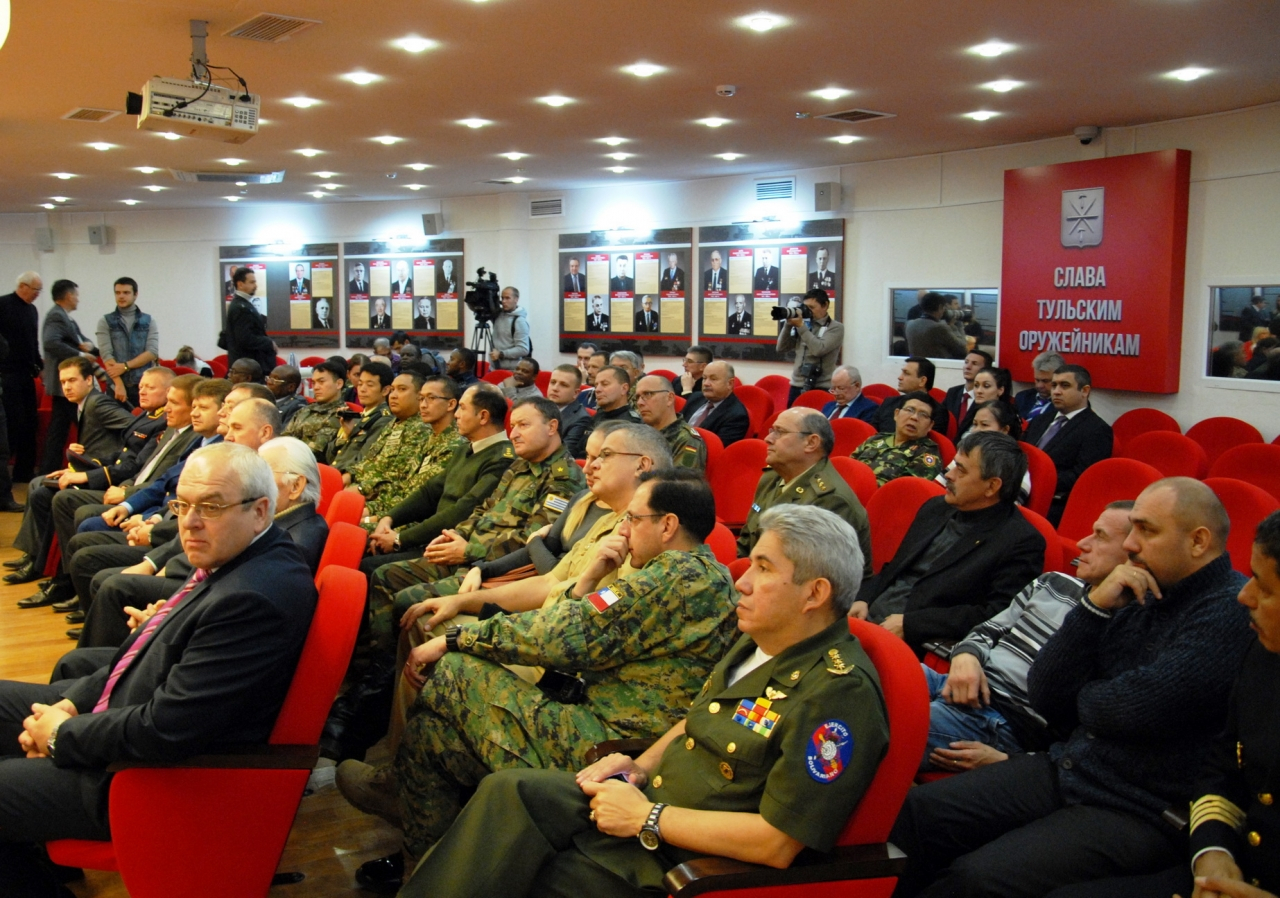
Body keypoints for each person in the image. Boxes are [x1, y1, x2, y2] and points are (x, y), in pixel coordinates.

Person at [394, 504, 888, 898]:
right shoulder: (761, 640)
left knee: (529, 871)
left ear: (814, 593)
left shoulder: (838, 693)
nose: (742, 580)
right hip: (646, 797)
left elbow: (778, 843)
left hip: (676, 855)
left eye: (763, 568)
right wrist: (638, 764)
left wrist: (647, 818)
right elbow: (695, 719)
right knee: (511, 791)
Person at [344, 469, 739, 890]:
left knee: (458, 671)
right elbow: (578, 617)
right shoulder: (678, 574)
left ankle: (395, 789)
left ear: (668, 525)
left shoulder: (678, 577)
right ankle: (426, 870)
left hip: (613, 746)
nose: (623, 529)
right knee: (432, 736)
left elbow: (565, 634)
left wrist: (457, 639)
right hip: (591, 717)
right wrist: (590, 577)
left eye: (633, 519)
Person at [891, 477, 1255, 898]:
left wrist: (1088, 697)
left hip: (1136, 806)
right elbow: (1046, 692)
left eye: (1147, 530)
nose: (1131, 544)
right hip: (1069, 768)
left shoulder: (1228, 610)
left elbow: (1132, 709)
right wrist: (1093, 607)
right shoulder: (1137, 590)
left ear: (1198, 541)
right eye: (1132, 528)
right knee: (916, 814)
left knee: (978, 878)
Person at [0, 442, 316, 898]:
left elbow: (167, 727)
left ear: (261, 510)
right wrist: (69, 704)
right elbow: (140, 651)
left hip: (149, 778)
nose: (189, 522)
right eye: (182, 505)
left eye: (211, 506)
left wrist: (60, 736)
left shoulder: (253, 596)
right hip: (126, 724)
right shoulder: (238, 555)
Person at [920, 501, 1133, 774]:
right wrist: (966, 656)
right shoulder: (1052, 582)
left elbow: (1085, 727)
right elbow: (987, 630)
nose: (1083, 543)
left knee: (880, 717)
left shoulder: (1125, 628)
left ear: (1132, 553)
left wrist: (1017, 761)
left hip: (999, 723)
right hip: (957, 683)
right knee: (870, 670)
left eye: (1100, 537)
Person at [853, 431, 1044, 654]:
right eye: (953, 465)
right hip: (867, 616)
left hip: (916, 642)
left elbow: (995, 614)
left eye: (960, 470)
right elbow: (895, 568)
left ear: (992, 486)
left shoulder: (1020, 542)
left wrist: (913, 625)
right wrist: (864, 598)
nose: (949, 475)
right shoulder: (935, 508)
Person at [8, 367, 173, 587]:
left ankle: (63, 578)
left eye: (149, 387)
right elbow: (122, 454)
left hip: (123, 484)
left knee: (55, 496)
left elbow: (136, 466)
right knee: (42, 488)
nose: (141, 391)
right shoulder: (146, 413)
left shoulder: (159, 421)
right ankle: (40, 561)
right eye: (141, 386)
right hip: (118, 476)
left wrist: (89, 475)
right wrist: (83, 464)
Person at [738, 407, 870, 561]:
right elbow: (746, 542)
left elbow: (811, 570)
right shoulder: (772, 477)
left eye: (780, 432)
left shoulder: (831, 500)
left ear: (811, 443)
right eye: (772, 431)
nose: (768, 438)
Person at [345, 372, 449, 518]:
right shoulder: (393, 423)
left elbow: (398, 481)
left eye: (402, 389)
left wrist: (367, 500)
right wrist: (348, 476)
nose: (393, 395)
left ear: (418, 396)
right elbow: (369, 462)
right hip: (371, 496)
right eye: (392, 390)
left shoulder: (422, 430)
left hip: (383, 503)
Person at [1022, 363, 1114, 526]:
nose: (1056, 391)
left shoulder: (1097, 430)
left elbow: (1081, 477)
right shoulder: (1040, 420)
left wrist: (1034, 479)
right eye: (1054, 385)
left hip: (1055, 502)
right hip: (1019, 492)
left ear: (1084, 391)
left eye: (1064, 386)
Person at [39, 279, 103, 473]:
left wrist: (91, 349)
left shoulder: (65, 317)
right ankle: (90, 466)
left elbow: (80, 341)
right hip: (66, 383)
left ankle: (48, 470)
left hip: (64, 385)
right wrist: (81, 355)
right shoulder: (56, 316)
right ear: (68, 295)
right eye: (76, 295)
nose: (78, 299)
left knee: (59, 431)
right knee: (85, 427)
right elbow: (51, 343)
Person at [0, 272, 42, 489]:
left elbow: (33, 342)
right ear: (23, 286)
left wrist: (39, 366)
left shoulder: (32, 310)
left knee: (29, 423)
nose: (37, 294)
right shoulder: (3, 305)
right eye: (36, 290)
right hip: (7, 375)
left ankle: (23, 472)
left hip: (26, 375)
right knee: (13, 423)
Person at [853, 391, 945, 486]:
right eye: (910, 410)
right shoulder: (875, 439)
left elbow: (902, 490)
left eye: (923, 415)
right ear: (896, 414)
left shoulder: (926, 454)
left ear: (930, 425)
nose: (914, 417)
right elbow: (849, 468)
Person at [777, 288, 844, 406]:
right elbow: (781, 347)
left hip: (821, 386)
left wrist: (801, 327)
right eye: (805, 307)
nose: (808, 311)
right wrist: (788, 325)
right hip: (797, 385)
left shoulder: (835, 327)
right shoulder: (803, 324)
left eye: (812, 307)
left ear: (825, 305)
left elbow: (818, 349)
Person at [333, 361, 394, 474]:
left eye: (370, 385)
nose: (362, 389)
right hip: (335, 472)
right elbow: (329, 455)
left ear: (385, 390)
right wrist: (346, 435)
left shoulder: (384, 420)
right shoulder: (360, 417)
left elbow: (363, 461)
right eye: (360, 384)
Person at [284, 359, 348, 463]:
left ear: (339, 384)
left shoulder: (340, 415)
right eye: (313, 383)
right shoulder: (305, 409)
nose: (316, 387)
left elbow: (316, 451)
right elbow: (284, 437)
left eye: (321, 382)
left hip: (308, 464)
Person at [634, 374, 705, 470]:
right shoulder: (639, 432)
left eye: (648, 394)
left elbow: (682, 478)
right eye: (637, 397)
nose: (640, 403)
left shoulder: (687, 440)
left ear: (669, 398)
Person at [873, 356, 951, 435]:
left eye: (906, 373)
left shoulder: (938, 411)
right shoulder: (889, 403)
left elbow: (932, 440)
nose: (900, 377)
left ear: (922, 381)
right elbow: (871, 431)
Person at [222, 267, 276, 375]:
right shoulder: (240, 307)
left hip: (248, 366)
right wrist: (269, 342)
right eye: (251, 282)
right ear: (240, 284)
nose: (255, 286)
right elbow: (245, 338)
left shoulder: (244, 304)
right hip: (247, 368)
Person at [681, 360, 749, 445]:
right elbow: (676, 426)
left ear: (730, 383)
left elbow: (717, 448)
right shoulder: (695, 398)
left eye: (713, 379)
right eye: (704, 378)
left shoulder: (737, 416)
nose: (706, 383)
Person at [546, 364, 593, 459]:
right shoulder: (538, 407)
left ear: (575, 393)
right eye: (553, 382)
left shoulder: (581, 419)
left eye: (563, 385)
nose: (555, 388)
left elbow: (564, 453)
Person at [954, 365, 1016, 438]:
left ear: (1000, 390)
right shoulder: (972, 411)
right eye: (976, 385)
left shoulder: (1005, 416)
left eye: (986, 386)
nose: (979, 391)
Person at [906, 290, 967, 359]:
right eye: (944, 308)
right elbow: (962, 348)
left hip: (916, 362)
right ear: (940, 307)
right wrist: (956, 325)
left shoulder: (910, 324)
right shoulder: (939, 327)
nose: (945, 311)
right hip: (938, 364)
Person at [943, 350, 994, 427]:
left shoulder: (986, 396)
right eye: (966, 362)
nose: (968, 367)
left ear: (985, 369)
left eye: (974, 363)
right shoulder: (953, 392)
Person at [1013, 351, 1064, 422]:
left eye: (1045, 381)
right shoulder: (1022, 398)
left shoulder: (1064, 404)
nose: (1039, 385)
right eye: (1037, 380)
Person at [489, 286, 532, 371]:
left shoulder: (519, 321)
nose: (503, 301)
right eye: (502, 298)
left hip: (511, 371)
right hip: (494, 369)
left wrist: (501, 354)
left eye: (507, 298)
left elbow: (523, 349)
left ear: (516, 299)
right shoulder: (498, 316)